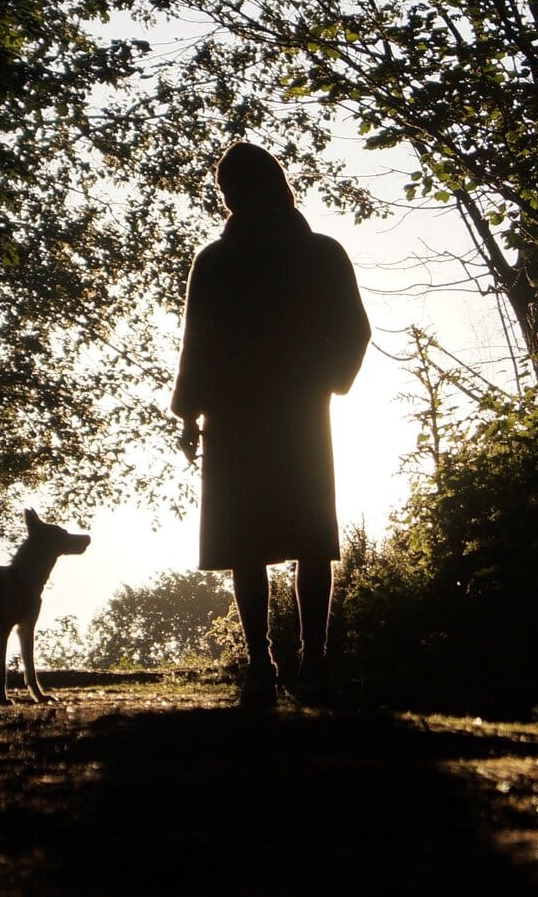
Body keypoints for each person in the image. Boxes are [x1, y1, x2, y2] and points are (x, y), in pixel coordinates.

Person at [171, 141, 371, 706]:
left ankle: (273, 664)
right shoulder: (320, 253)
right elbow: (354, 330)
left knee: (254, 539)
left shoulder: (217, 260)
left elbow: (198, 347)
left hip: (244, 416)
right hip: (292, 414)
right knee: (296, 537)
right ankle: (305, 661)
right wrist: (326, 381)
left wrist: (190, 413)